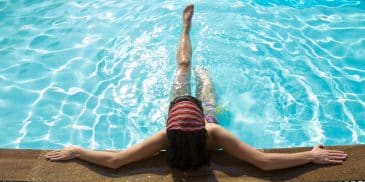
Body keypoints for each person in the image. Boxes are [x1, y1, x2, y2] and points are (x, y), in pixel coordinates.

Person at [45, 4, 347, 171]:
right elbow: (264, 163)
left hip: (185, 111)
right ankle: (192, 46)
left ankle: (185, 29)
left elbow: (116, 161)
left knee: (184, 67)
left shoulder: (167, 135)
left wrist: (77, 150)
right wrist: (310, 156)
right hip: (208, 115)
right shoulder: (212, 130)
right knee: (206, 85)